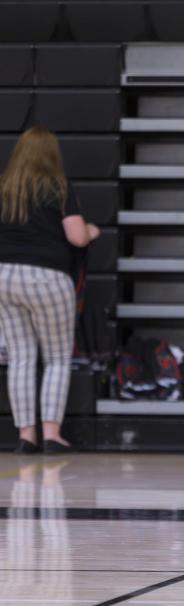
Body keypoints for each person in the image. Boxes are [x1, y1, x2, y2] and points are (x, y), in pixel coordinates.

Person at [0, 126, 99, 454]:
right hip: (47, 279)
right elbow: (76, 238)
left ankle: (26, 436)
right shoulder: (58, 188)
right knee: (56, 357)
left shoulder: (5, 188)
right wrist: (92, 230)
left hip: (5, 276)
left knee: (20, 357)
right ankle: (52, 434)